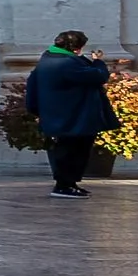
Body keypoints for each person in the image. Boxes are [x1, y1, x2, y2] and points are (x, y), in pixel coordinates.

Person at [26, 30, 120, 198]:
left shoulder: (47, 59)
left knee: (69, 149)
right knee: (74, 150)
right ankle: (64, 186)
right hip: (74, 116)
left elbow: (32, 85)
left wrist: (35, 109)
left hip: (59, 114)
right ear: (76, 48)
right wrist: (98, 61)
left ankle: (69, 184)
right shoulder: (66, 63)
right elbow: (98, 76)